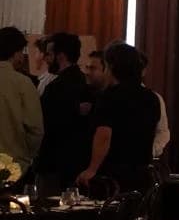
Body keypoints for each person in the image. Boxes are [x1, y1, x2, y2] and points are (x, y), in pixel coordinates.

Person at [78, 41, 159, 191]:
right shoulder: (151, 98)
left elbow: (104, 135)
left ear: (112, 67)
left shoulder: (109, 97)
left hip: (113, 175)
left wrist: (92, 169)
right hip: (141, 172)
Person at [36, 31, 90, 184]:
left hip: (53, 163)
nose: (46, 59)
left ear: (60, 56)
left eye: (48, 54)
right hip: (78, 162)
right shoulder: (86, 85)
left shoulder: (55, 88)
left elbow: (42, 124)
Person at [0, 24, 44, 173]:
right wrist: (27, 155)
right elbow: (35, 129)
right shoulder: (23, 83)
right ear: (16, 52)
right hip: (12, 165)